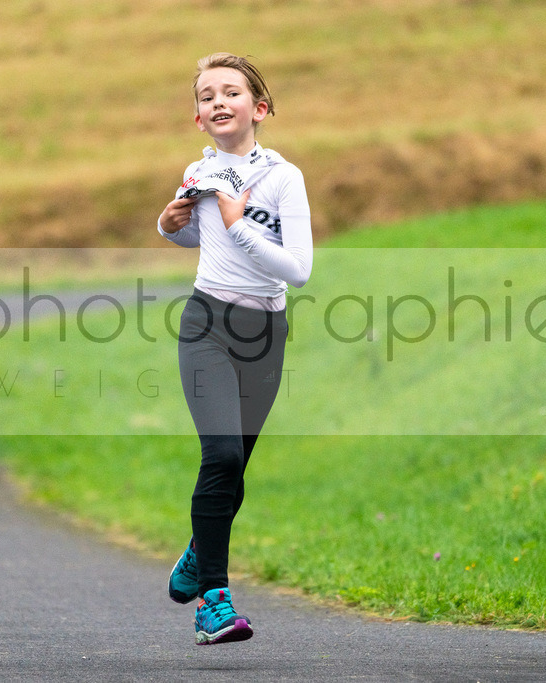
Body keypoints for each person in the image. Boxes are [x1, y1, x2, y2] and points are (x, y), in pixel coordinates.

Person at [157, 52, 313, 645]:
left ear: (260, 108)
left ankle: (199, 552)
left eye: (231, 92)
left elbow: (298, 270)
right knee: (220, 455)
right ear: (198, 118)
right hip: (207, 324)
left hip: (266, 334)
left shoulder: (283, 178)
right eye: (206, 96)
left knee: (235, 469)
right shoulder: (197, 173)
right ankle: (213, 604)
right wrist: (169, 225)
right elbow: (198, 237)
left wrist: (239, 223)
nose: (218, 101)